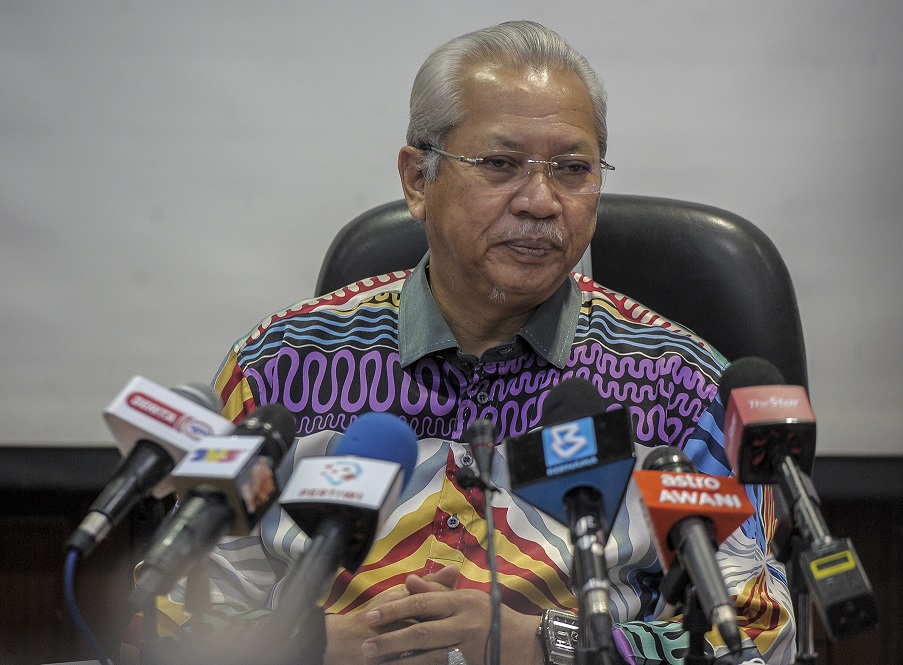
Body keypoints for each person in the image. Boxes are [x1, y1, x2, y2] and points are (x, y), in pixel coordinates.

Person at [125, 20, 795, 665]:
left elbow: (760, 637)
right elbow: (166, 615)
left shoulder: (679, 388)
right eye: (500, 164)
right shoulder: (278, 368)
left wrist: (547, 647)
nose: (540, 200)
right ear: (417, 180)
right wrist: (311, 647)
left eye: (572, 168)